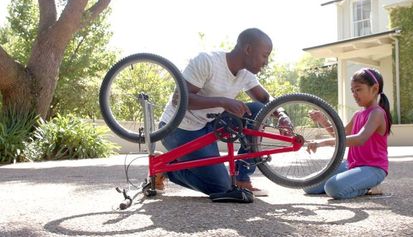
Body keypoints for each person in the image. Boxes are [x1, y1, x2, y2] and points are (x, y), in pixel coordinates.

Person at [158, 28, 290, 196]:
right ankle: (165, 168)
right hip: (179, 129)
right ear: (248, 50)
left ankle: (242, 178)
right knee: (222, 187)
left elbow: (264, 98)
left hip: (210, 124)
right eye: (265, 55)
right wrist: (223, 101)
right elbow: (179, 100)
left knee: (259, 111)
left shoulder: (245, 73)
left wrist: (281, 114)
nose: (266, 62)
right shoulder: (207, 61)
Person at [304, 68, 392, 199]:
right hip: (351, 165)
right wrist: (322, 120)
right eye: (352, 91)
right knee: (308, 185)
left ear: (374, 89)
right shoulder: (358, 115)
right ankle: (352, 182)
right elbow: (339, 135)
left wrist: (322, 143)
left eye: (358, 89)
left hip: (373, 169)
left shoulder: (377, 113)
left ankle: (368, 187)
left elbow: (360, 139)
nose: (355, 94)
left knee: (332, 188)